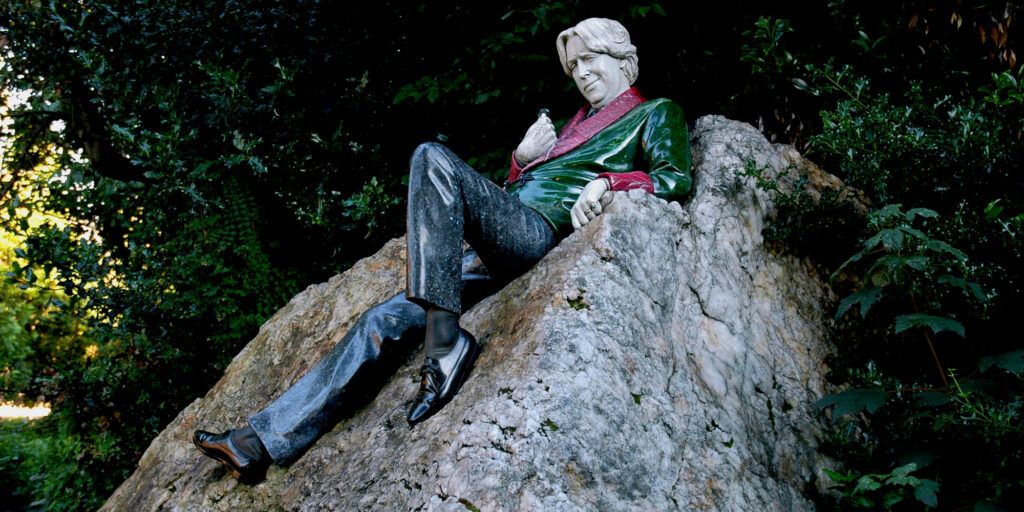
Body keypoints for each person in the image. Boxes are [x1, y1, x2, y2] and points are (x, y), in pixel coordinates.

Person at [192, 17, 692, 483]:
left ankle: (445, 343)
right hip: (499, 242)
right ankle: (257, 442)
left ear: (624, 59)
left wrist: (607, 183)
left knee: (431, 156)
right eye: (574, 66)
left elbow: (674, 177)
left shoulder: (653, 113)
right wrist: (521, 160)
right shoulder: (570, 128)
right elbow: (512, 194)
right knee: (381, 321)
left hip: (539, 235)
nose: (582, 73)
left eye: (591, 59)